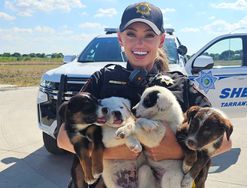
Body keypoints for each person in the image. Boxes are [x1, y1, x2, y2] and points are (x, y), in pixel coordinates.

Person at [57, 1, 232, 186]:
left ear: (161, 40)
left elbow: (226, 141)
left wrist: (177, 151)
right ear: (120, 38)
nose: (139, 43)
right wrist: (120, 150)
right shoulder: (103, 79)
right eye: (131, 34)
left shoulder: (181, 84)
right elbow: (63, 138)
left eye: (149, 35)